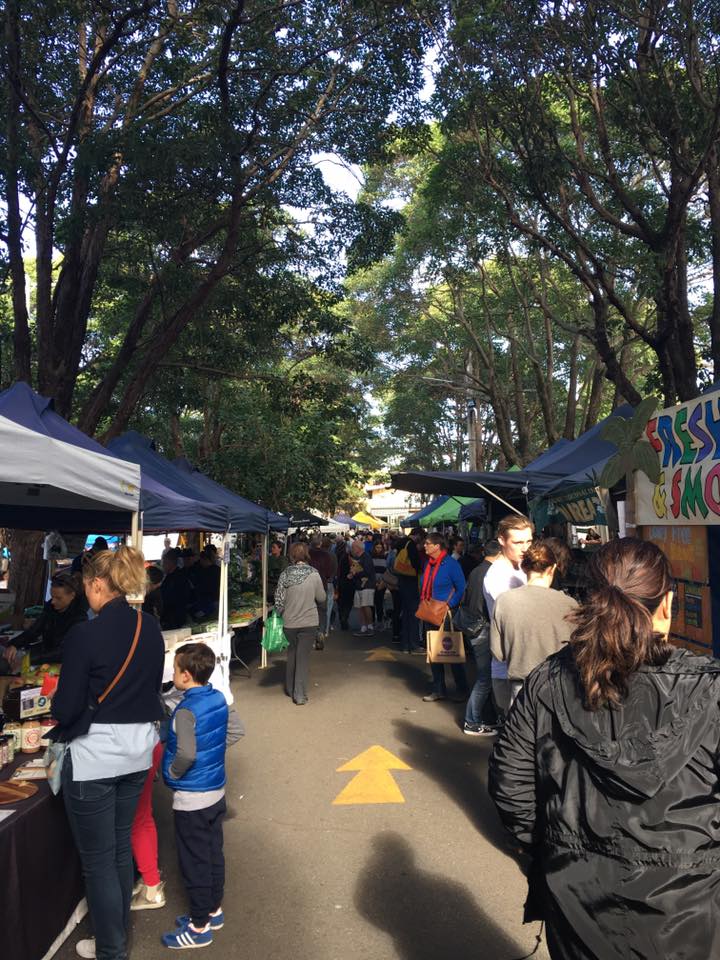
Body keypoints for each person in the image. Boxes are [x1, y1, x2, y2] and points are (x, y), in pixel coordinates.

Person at [488, 537, 720, 960]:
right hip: (690, 908)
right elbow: (510, 782)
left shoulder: (547, 681)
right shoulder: (710, 688)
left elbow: (511, 786)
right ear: (666, 605)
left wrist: (551, 846)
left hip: (575, 895)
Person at [51, 546, 165, 960]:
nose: (85, 593)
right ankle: (113, 941)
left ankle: (111, 950)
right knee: (118, 851)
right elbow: (151, 686)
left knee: (98, 862)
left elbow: (65, 709)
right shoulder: (149, 627)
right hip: (138, 752)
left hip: (95, 757)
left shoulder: (84, 634)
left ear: (98, 584)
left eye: (85, 586)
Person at [160, 643, 244, 949]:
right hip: (216, 791)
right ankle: (213, 909)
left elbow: (186, 754)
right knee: (211, 852)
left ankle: (199, 928)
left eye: (174, 668)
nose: (171, 674)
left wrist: (170, 774)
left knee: (193, 861)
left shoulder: (184, 711)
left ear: (184, 675)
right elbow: (235, 732)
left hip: (191, 798)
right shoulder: (217, 698)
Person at [490, 540, 578, 705]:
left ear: (524, 568)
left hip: (521, 688)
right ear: (552, 568)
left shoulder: (504, 601)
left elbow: (498, 652)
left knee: (520, 729)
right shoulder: (570, 604)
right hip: (559, 687)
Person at [482, 515, 533, 719]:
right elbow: (516, 620)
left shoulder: (522, 566)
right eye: (518, 542)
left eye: (529, 541)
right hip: (511, 667)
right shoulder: (497, 575)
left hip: (527, 662)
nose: (525, 548)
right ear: (501, 540)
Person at [274, 543, 326, 704]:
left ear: (292, 556)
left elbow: (279, 600)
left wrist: (282, 613)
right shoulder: (314, 574)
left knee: (292, 654)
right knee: (302, 657)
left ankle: (290, 689)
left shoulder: (285, 574)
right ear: (307, 555)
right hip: (309, 622)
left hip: (289, 622)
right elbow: (322, 598)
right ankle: (300, 694)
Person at [459, 540, 501, 736]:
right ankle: (472, 721)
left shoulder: (476, 571)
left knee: (486, 676)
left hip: (472, 626)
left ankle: (486, 717)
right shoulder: (492, 574)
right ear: (499, 554)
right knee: (485, 678)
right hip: (482, 627)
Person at [420, 532, 467, 703]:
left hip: (446, 613)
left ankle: (462, 689)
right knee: (434, 651)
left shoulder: (451, 564)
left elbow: (462, 587)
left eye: (427, 543)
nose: (424, 546)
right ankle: (438, 689)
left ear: (437, 546)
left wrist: (450, 604)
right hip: (429, 611)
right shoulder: (429, 564)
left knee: (451, 651)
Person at [5, 570, 87, 667]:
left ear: (72, 595)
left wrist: (28, 660)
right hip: (45, 656)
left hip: (64, 663)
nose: (53, 601)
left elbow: (62, 651)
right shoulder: (50, 608)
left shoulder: (80, 618)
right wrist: (14, 645)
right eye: (52, 597)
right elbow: (34, 630)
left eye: (58, 598)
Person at [394, 528, 424, 654]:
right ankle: (414, 644)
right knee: (413, 614)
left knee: (405, 613)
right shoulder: (410, 545)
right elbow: (416, 565)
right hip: (411, 582)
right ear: (417, 536)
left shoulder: (400, 542)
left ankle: (405, 645)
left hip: (401, 581)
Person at [308, 536, 338, 644]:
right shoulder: (328, 555)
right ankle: (322, 632)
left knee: (312, 610)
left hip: (310, 586)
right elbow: (331, 571)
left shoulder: (308, 554)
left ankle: (312, 634)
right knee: (324, 610)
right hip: (324, 584)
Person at [160, 548, 194, 629]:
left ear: (170, 563)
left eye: (164, 562)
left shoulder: (179, 577)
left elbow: (179, 597)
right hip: (170, 616)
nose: (163, 565)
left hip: (176, 617)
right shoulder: (169, 577)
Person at [349, 540, 376, 637]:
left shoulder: (366, 557)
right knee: (360, 606)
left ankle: (369, 626)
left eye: (353, 547)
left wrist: (356, 573)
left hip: (367, 585)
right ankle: (363, 626)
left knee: (366, 605)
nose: (352, 549)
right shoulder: (358, 558)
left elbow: (368, 571)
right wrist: (352, 574)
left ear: (358, 548)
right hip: (359, 585)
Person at [190, 548, 221, 620]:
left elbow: (201, 587)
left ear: (204, 560)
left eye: (201, 560)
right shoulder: (218, 569)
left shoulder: (203, 572)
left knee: (208, 619)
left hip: (209, 602)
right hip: (215, 599)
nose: (200, 562)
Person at [335, 540, 354, 631]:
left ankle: (342, 618)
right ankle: (344, 618)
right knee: (348, 602)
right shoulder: (349, 558)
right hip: (348, 582)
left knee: (341, 603)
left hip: (340, 581)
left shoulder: (336, 554)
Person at [371, 542, 388, 629]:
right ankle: (372, 620)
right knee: (372, 602)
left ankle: (380, 620)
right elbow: (370, 570)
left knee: (379, 602)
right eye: (377, 547)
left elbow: (386, 570)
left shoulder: (385, 557)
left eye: (380, 547)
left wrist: (382, 581)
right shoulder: (371, 557)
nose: (378, 549)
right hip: (373, 582)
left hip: (382, 582)